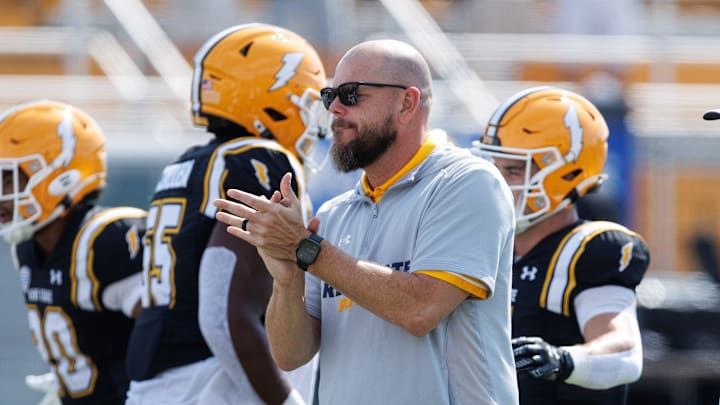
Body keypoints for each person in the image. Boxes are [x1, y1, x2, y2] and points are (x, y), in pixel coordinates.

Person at [213, 39, 519, 404]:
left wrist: (305, 249)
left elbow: (420, 310)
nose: (336, 109)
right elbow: (291, 354)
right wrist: (287, 276)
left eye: (351, 94)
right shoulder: (333, 214)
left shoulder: (467, 183)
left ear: (407, 103)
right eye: (330, 96)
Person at [124, 23, 328, 405]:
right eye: (305, 103)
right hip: (210, 384)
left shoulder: (185, 166)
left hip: (154, 386)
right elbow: (221, 314)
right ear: (271, 97)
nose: (310, 123)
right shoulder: (258, 159)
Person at [472, 86, 649, 405]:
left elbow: (625, 351)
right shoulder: (491, 248)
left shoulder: (584, 249)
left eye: (512, 170)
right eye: (494, 166)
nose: (497, 181)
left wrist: (563, 361)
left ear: (565, 173)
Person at [0, 100, 147, 404]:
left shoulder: (107, 240)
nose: (2, 191)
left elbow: (172, 342)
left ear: (62, 175)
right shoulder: (26, 247)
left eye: (11, 176)